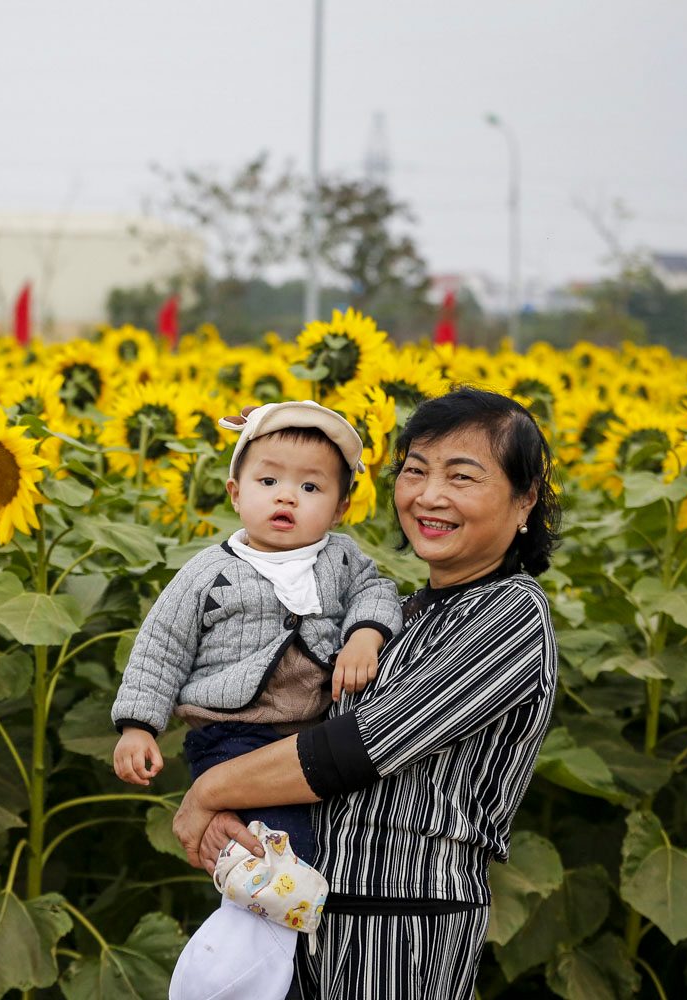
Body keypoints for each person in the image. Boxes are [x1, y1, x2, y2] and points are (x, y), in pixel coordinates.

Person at [171, 387, 561, 1000]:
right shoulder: (402, 615)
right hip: (316, 917)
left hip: (402, 928)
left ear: (525, 499)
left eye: (462, 477)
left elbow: (354, 747)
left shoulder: (510, 614)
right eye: (415, 471)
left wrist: (207, 792)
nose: (430, 496)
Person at [111, 400, 402, 863]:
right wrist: (137, 726)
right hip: (232, 734)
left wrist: (365, 635)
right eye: (268, 482)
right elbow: (161, 647)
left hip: (313, 737)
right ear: (236, 493)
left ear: (341, 507)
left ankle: (283, 926)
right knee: (277, 846)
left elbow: (377, 592)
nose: (286, 496)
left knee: (329, 841)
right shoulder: (209, 572)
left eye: (310, 486)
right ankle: (262, 929)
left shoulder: (342, 559)